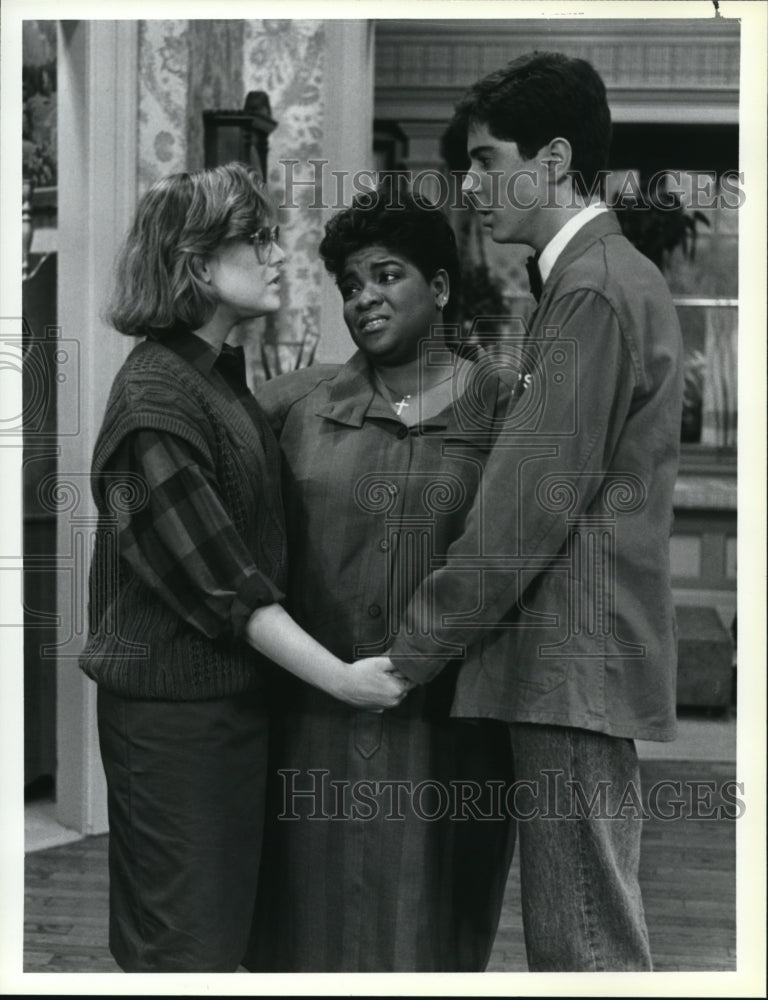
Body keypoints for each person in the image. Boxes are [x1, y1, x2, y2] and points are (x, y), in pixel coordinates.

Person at [386, 53, 684, 971]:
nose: (471, 186)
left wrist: (413, 648)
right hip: (577, 661)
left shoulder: (593, 287)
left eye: (485, 160)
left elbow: (523, 508)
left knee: (584, 945)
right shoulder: (601, 278)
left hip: (567, 662)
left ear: (552, 160)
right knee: (587, 926)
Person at [78, 163, 406, 973]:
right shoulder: (155, 404)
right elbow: (227, 589)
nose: (274, 253)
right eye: (253, 240)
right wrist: (345, 681)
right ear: (195, 266)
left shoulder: (212, 380)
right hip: (175, 726)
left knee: (221, 941)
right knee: (183, 948)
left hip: (222, 714)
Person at [244, 190, 516, 972]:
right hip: (312, 722)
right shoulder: (295, 406)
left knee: (432, 931)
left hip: (447, 729)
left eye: (386, 276)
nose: (363, 297)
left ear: (439, 287)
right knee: (306, 933)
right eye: (351, 284)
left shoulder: (500, 406)